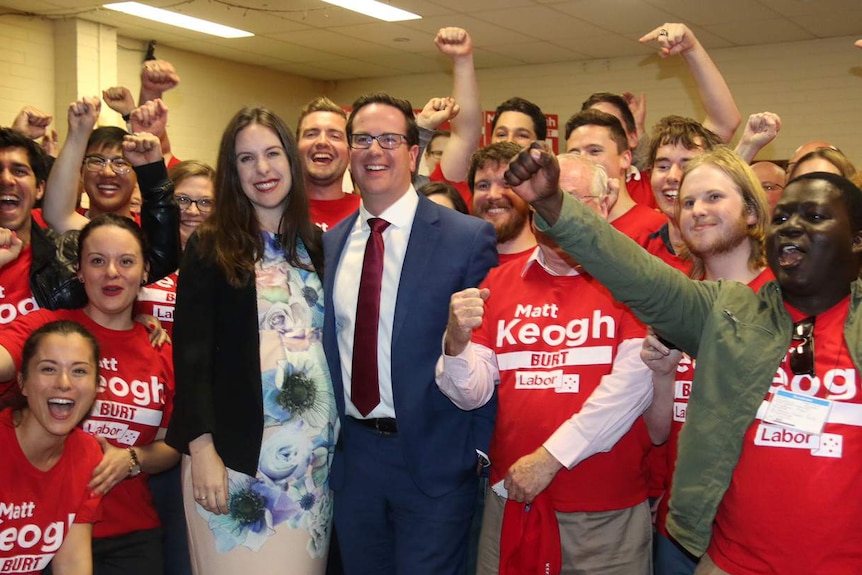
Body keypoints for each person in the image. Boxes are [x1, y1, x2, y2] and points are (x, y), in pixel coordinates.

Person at [504, 143, 862, 574]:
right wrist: (553, 204)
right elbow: (635, 272)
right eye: (783, 218)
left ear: (857, 238)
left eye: (815, 217)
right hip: (728, 563)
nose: (791, 228)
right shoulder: (728, 310)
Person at [438, 153, 654, 575]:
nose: (554, 214)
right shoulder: (498, 283)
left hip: (603, 515)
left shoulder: (638, 279)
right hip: (513, 500)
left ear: (603, 205)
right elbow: (470, 395)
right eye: (543, 202)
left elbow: (632, 389)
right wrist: (455, 343)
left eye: (569, 201)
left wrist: (549, 458)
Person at [322, 92, 497, 574]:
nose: (374, 150)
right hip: (354, 461)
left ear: (414, 152)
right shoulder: (331, 244)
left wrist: (477, 452)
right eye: (362, 139)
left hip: (434, 463)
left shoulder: (466, 237)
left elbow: (485, 351)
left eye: (389, 139)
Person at [166, 107, 335, 575]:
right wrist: (201, 451)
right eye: (246, 159)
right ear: (231, 170)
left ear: (292, 161)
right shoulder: (210, 245)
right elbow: (191, 356)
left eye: (272, 154)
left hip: (312, 471)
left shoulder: (317, 246)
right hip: (235, 463)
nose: (262, 169)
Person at [0, 214, 178, 575]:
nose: (111, 272)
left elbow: (172, 445)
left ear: (145, 272)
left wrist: (133, 458)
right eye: (97, 261)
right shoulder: (49, 329)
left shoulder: (161, 350)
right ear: (80, 271)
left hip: (131, 535)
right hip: (38, 531)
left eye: (126, 261)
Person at [639, 147, 773, 574]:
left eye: (714, 198)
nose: (697, 210)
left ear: (752, 213)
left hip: (755, 532)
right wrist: (661, 376)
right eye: (688, 202)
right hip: (679, 530)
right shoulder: (678, 302)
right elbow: (660, 433)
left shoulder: (783, 301)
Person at [0, 320, 104, 575]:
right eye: (48, 369)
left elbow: (72, 564)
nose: (64, 382)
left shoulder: (88, 454)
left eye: (79, 371)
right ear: (22, 382)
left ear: (95, 389)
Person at [135, 159, 216, 337]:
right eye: (181, 200)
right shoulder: (137, 256)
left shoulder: (227, 266)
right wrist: (130, 320)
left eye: (205, 202)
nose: (193, 211)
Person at [295, 97, 359, 232]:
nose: (322, 142)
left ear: (350, 150)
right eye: (311, 134)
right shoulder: (272, 213)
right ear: (295, 147)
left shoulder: (370, 216)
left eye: (335, 136)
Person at [468, 142, 537, 263]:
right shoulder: (457, 265)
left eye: (507, 184)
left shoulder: (556, 265)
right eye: (483, 185)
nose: (493, 195)